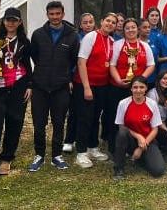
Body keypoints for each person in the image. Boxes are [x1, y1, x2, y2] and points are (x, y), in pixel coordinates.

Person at [28, 1, 79, 171]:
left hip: (61, 87)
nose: (55, 17)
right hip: (40, 86)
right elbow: (34, 56)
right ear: (47, 15)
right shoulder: (38, 34)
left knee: (59, 123)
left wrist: (65, 77)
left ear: (63, 14)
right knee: (39, 124)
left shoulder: (72, 35)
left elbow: (74, 60)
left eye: (58, 13)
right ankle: (39, 155)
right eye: (52, 14)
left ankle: (56, 156)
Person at [0, 7, 32, 176]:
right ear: (3, 21)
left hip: (18, 85)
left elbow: (27, 64)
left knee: (15, 122)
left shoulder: (24, 41)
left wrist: (30, 85)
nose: (11, 23)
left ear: (20, 22)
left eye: (14, 20)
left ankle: (6, 158)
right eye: (8, 20)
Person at [74, 13, 118, 168]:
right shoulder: (91, 37)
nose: (110, 24)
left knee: (95, 117)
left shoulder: (112, 41)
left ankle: (92, 147)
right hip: (86, 84)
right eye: (108, 21)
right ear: (101, 21)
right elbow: (81, 62)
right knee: (85, 117)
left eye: (113, 22)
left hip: (102, 85)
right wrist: (86, 87)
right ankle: (81, 152)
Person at [107, 18, 156, 154]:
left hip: (137, 90)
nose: (130, 30)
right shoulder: (118, 45)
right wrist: (118, 80)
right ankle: (113, 148)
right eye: (127, 28)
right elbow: (112, 65)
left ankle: (133, 146)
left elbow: (151, 65)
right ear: (123, 31)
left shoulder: (144, 46)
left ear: (138, 29)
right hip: (118, 87)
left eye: (133, 27)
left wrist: (140, 81)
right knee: (114, 117)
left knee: (134, 118)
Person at [112, 76, 166, 179]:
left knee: (158, 171)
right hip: (130, 140)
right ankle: (119, 168)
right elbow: (121, 126)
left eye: (141, 87)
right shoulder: (123, 103)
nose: (138, 90)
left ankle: (140, 158)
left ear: (146, 88)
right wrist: (138, 136)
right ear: (131, 89)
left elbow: (155, 129)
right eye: (135, 87)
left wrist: (141, 147)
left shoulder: (152, 104)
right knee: (122, 134)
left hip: (148, 141)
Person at [63, 12, 96, 154]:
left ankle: (86, 140)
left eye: (90, 22)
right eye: (85, 22)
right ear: (80, 25)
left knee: (89, 113)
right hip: (76, 78)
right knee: (74, 111)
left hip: (91, 79)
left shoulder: (97, 37)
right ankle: (69, 140)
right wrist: (69, 79)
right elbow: (69, 60)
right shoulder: (75, 38)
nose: (88, 25)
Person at [146, 71, 167, 150]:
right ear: (159, 80)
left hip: (164, 122)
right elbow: (155, 118)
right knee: (166, 135)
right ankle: (157, 146)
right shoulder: (152, 94)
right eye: (164, 78)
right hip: (154, 124)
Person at [138, 19, 160, 87]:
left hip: (153, 78)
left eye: (149, 27)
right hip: (140, 78)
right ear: (138, 29)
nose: (148, 29)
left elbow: (157, 59)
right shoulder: (136, 43)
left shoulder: (153, 42)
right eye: (144, 27)